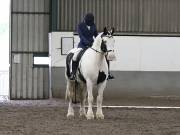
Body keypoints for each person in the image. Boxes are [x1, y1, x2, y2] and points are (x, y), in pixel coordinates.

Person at [69, 13, 114, 80]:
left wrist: (101, 39)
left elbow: (96, 35)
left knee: (104, 55)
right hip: (82, 45)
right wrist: (87, 42)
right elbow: (81, 36)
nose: (90, 23)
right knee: (75, 56)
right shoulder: (80, 26)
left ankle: (108, 73)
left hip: (92, 45)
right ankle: (73, 73)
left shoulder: (93, 25)